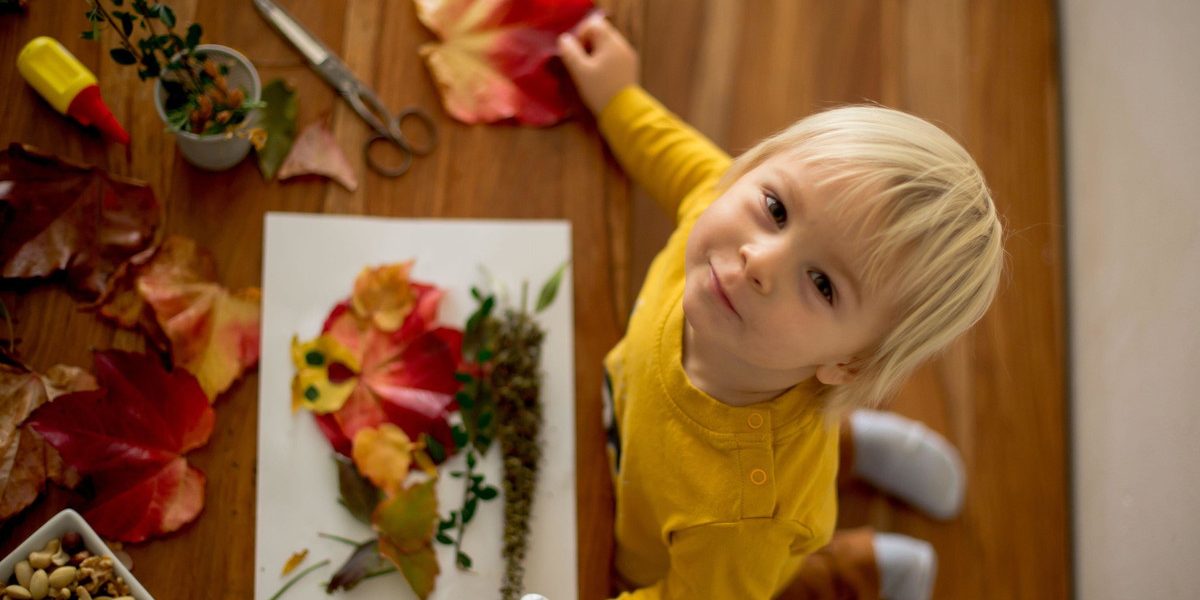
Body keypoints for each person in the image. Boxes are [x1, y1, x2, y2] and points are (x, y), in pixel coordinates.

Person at [557, 13, 1003, 600]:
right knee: (804, 429)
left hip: (718, 552)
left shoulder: (743, 516)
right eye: (777, 208)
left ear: (850, 365)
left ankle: (864, 568)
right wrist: (619, 98)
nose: (760, 260)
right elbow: (681, 162)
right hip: (668, 436)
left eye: (822, 284)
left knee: (792, 576)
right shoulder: (724, 215)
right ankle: (854, 445)